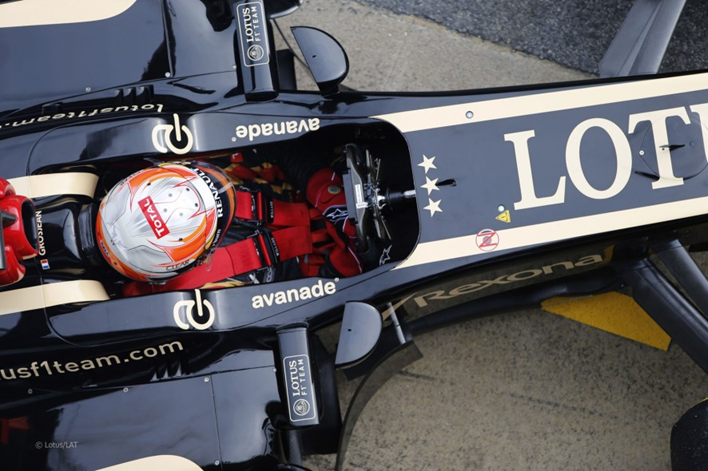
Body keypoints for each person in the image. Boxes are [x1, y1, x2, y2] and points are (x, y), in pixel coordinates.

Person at [95, 148, 362, 296]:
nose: (215, 191)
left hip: (328, 176)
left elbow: (277, 146)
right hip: (341, 266)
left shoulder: (184, 170)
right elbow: (295, 308)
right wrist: (347, 266)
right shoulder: (199, 297)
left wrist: (323, 189)